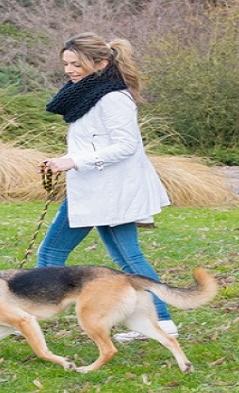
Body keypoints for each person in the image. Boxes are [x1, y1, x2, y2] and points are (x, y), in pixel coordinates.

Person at [37, 32, 174, 342]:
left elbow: (126, 146)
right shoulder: (90, 94)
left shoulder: (112, 98)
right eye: (66, 64)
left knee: (50, 256)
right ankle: (161, 323)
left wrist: (73, 162)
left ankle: (23, 315)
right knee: (128, 259)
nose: (69, 70)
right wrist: (64, 160)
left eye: (76, 64)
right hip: (99, 190)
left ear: (99, 63)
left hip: (108, 191)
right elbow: (94, 143)